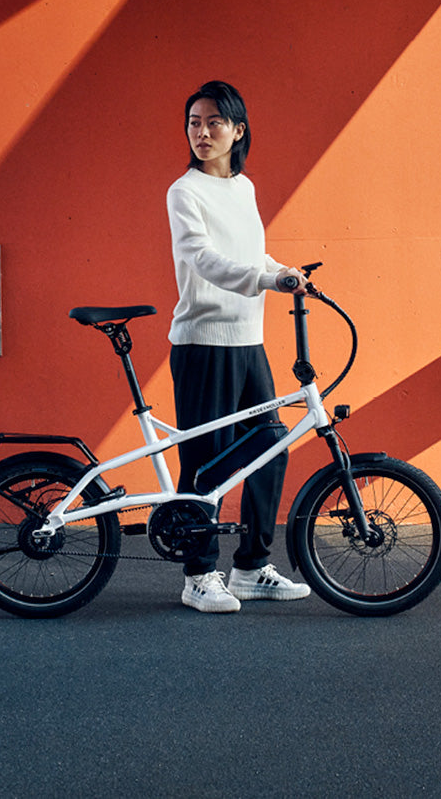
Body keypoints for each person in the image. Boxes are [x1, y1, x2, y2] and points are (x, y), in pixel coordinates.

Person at [165, 80, 313, 613]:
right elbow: (203, 259)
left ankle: (250, 566)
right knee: (206, 462)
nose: (201, 133)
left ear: (238, 130)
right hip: (204, 343)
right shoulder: (184, 191)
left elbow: (253, 254)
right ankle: (198, 574)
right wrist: (264, 280)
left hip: (248, 342)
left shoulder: (243, 189)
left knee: (271, 449)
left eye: (213, 123)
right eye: (193, 123)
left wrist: (285, 272)